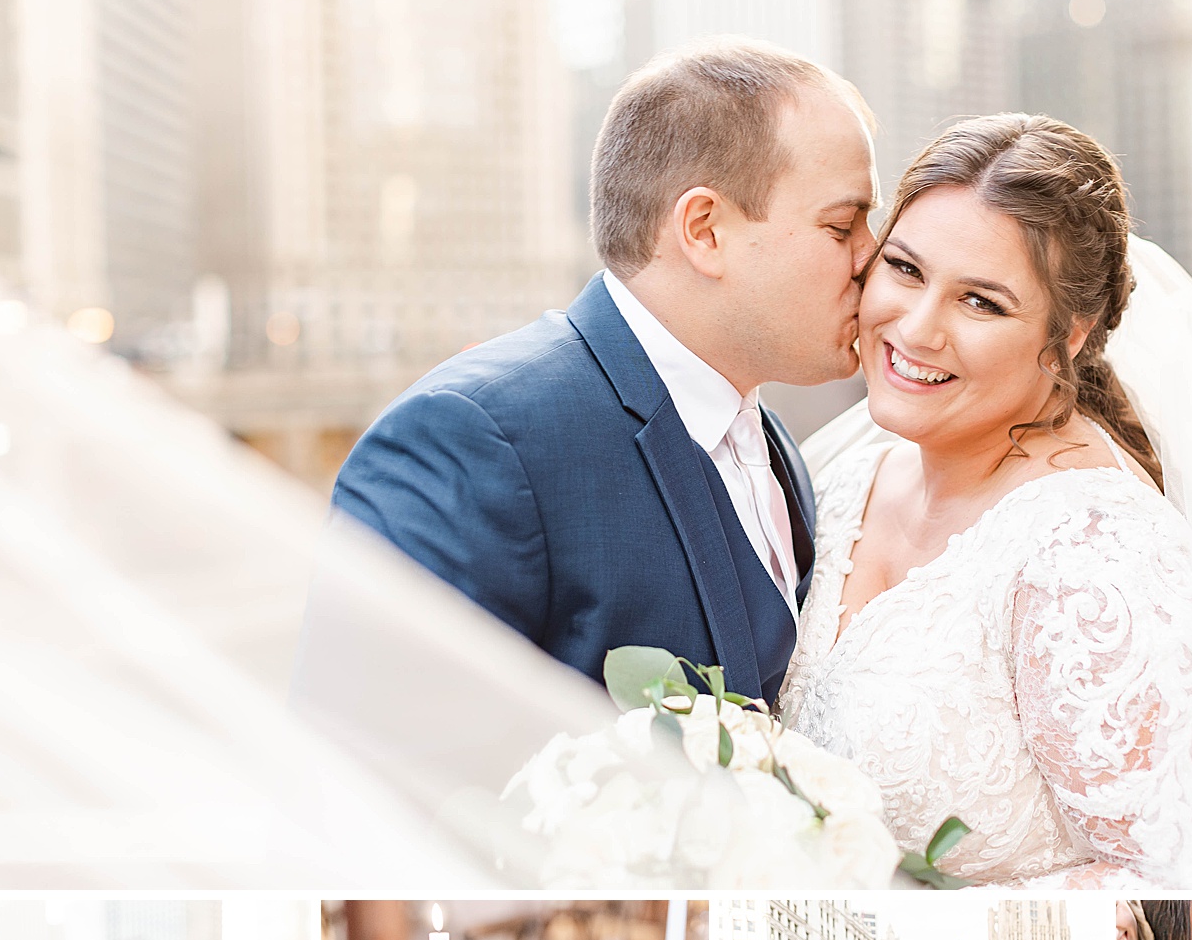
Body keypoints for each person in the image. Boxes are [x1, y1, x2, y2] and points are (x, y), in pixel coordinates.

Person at [780, 113, 1192, 885]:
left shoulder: (1099, 557)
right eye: (906, 270)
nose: (916, 329)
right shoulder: (854, 476)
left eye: (981, 302)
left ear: (1071, 335)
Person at [327, 40, 877, 707]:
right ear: (704, 230)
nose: (872, 260)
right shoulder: (472, 438)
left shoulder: (771, 439)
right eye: (843, 226)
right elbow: (373, 751)